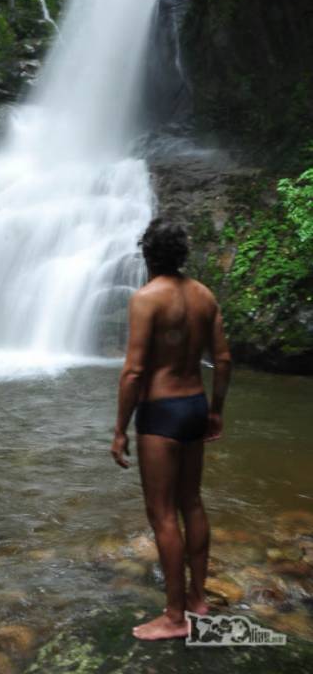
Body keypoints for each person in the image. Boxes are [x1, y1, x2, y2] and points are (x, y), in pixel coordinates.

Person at [110, 216, 232, 641]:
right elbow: (224, 359)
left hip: (160, 412)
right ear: (182, 254)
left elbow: (134, 371)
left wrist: (120, 428)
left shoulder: (146, 298)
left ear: (147, 254)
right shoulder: (204, 295)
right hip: (195, 405)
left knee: (161, 513)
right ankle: (198, 600)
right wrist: (215, 410)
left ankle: (175, 617)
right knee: (192, 503)